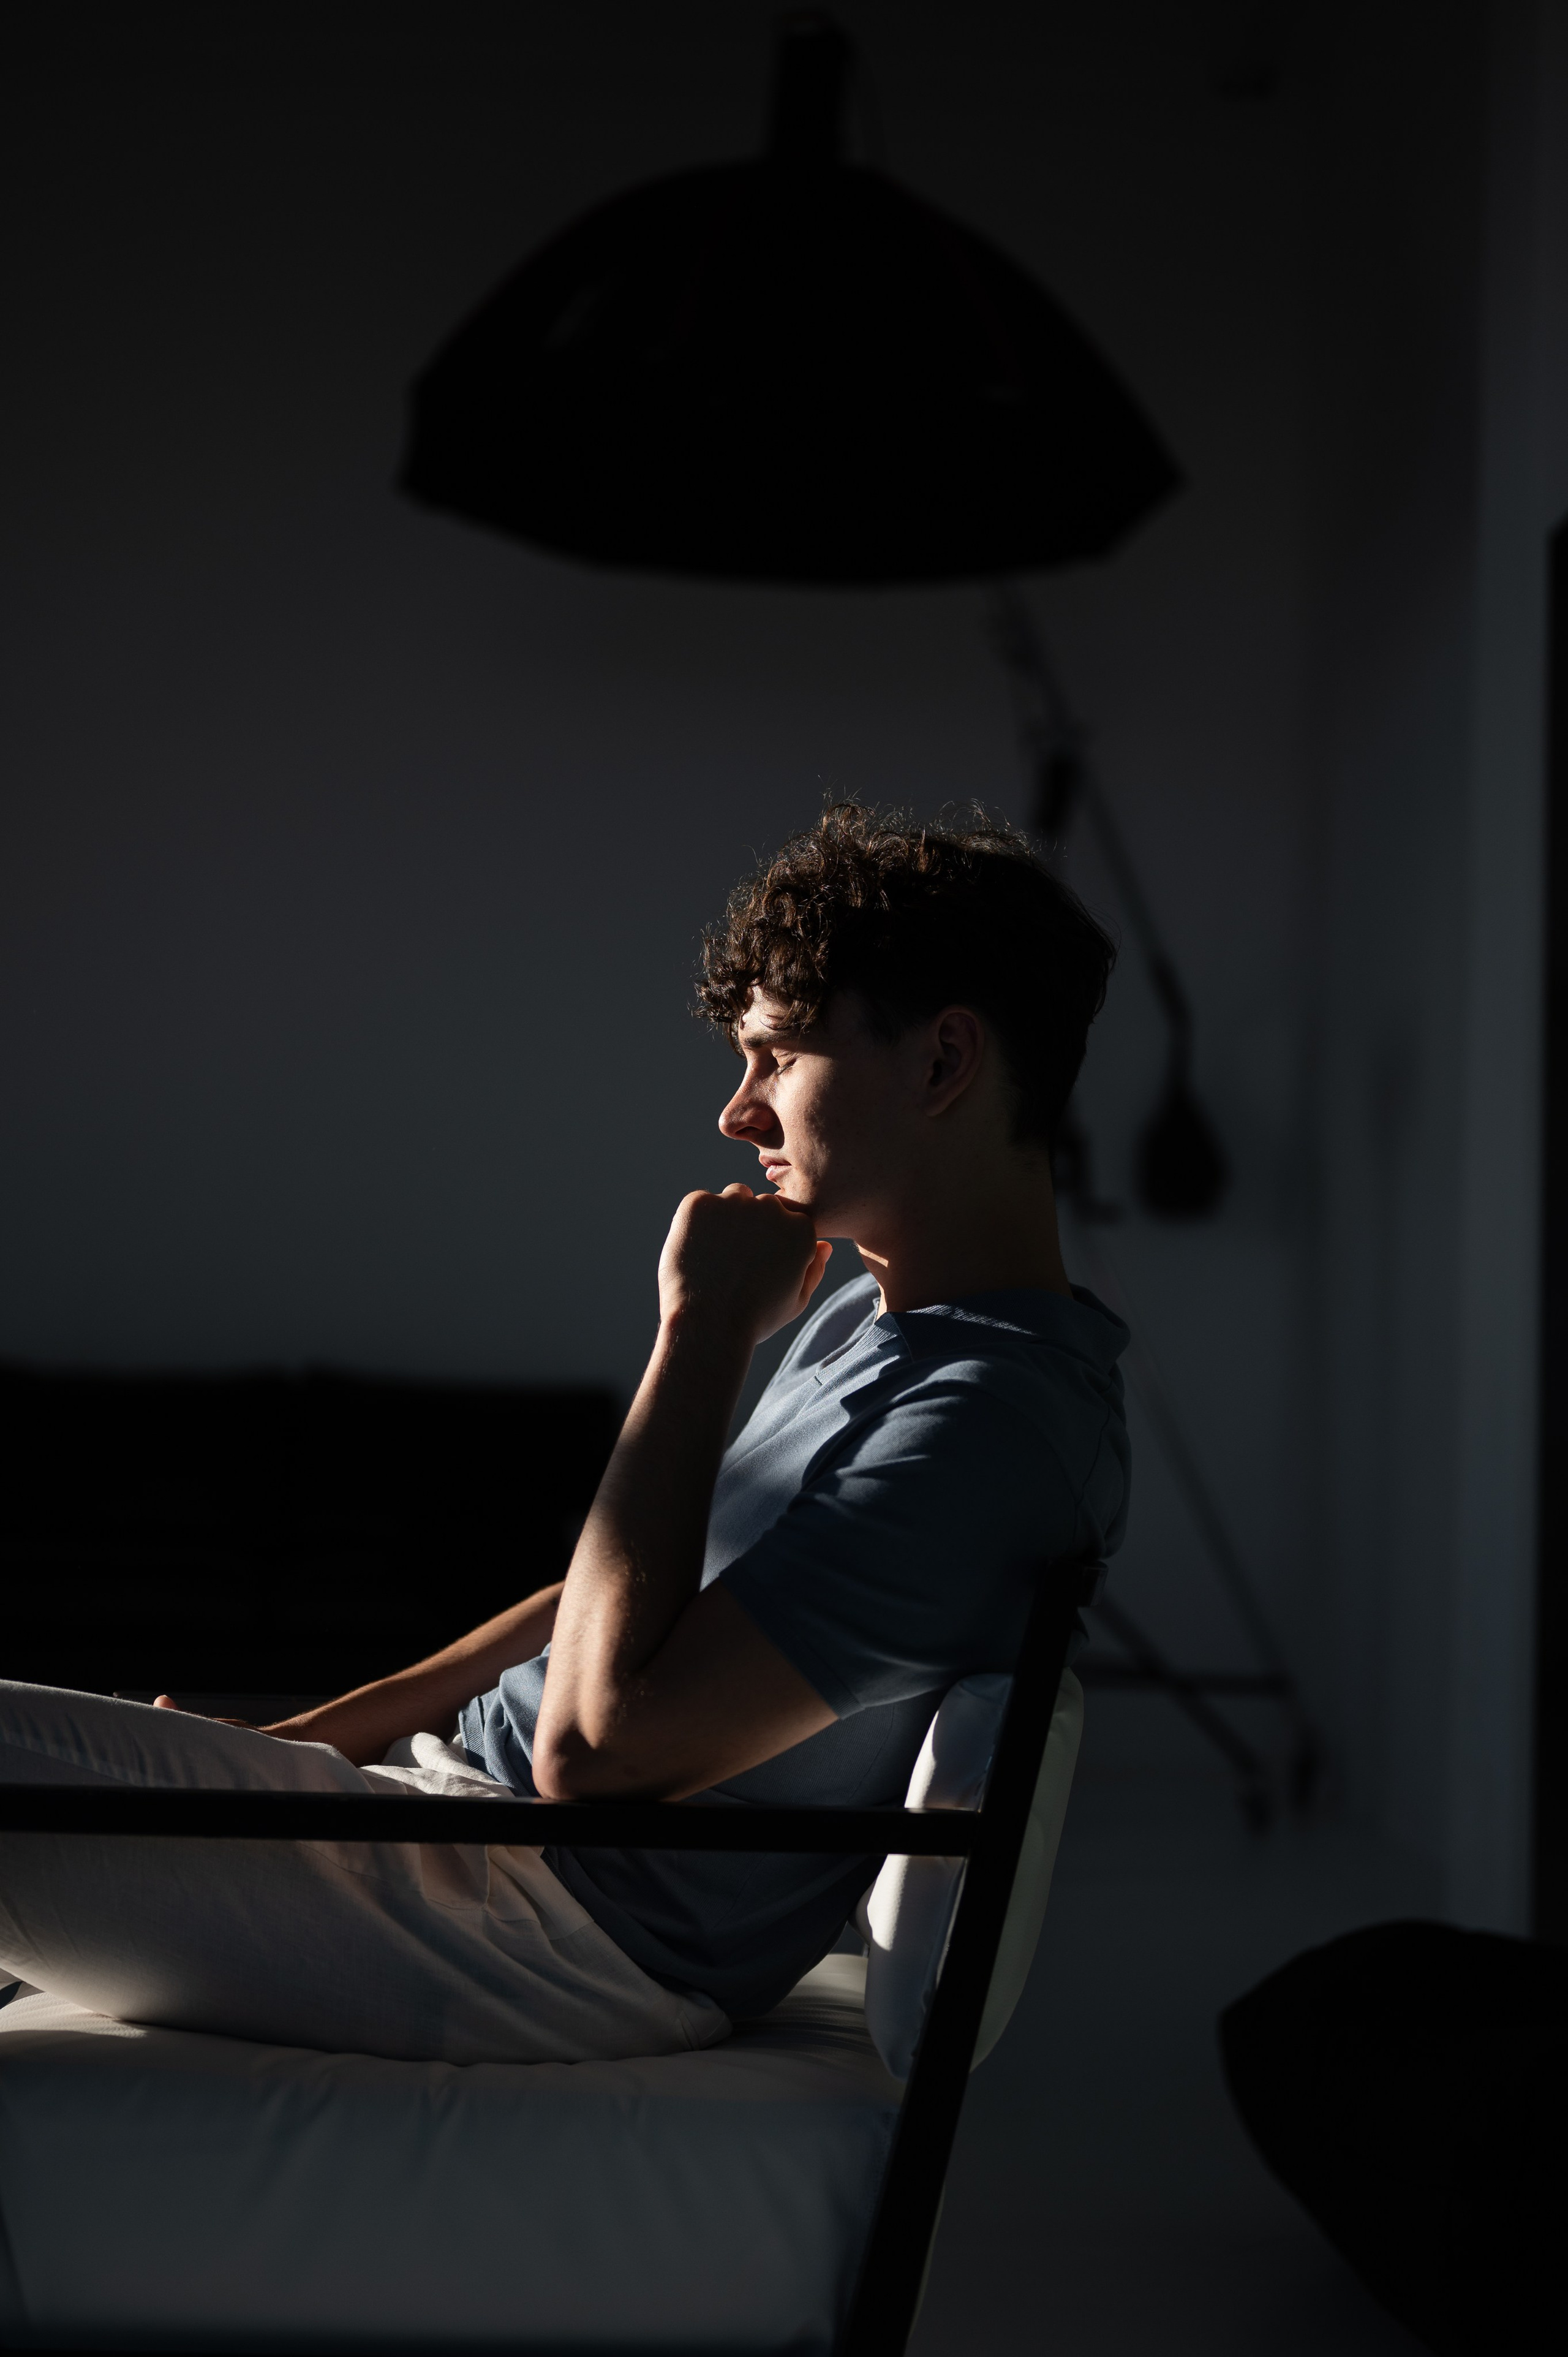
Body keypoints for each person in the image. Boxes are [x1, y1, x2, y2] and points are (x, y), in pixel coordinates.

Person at [0, 804, 1130, 2064]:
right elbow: (601, 1606)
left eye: (773, 1056)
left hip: (543, 1925)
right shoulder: (886, 1322)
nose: (736, 1113)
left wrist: (698, 1329)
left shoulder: (983, 1424)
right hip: (455, 1841)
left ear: (939, 1064)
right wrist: (297, 1746)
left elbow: (593, 1752)